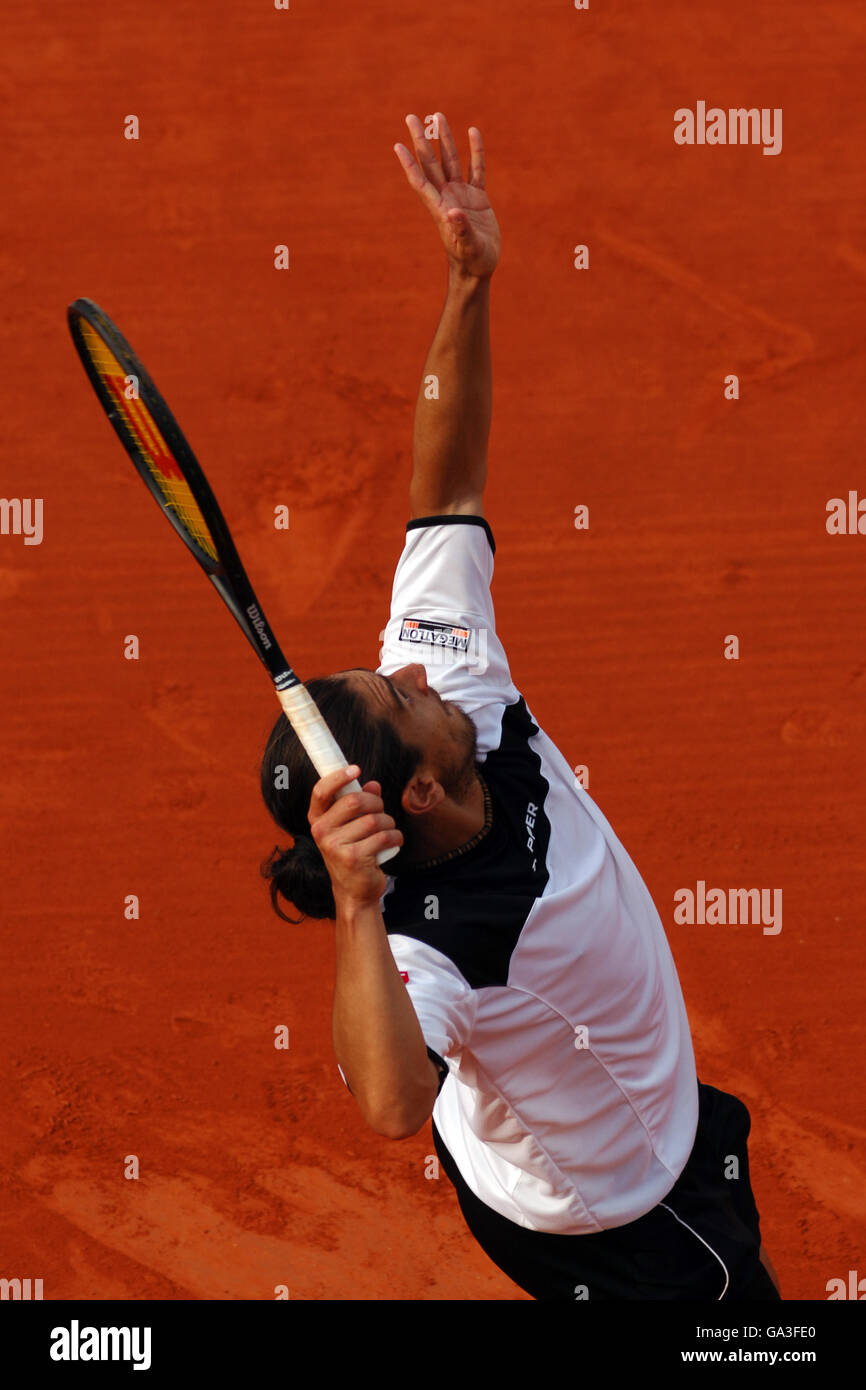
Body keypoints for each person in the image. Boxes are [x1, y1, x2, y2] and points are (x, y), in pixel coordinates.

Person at [260, 112, 781, 1301]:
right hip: (609, 1215)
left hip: (636, 1107)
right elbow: (391, 1104)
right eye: (402, 692)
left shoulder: (461, 704)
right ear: (422, 785)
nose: (421, 667)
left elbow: (444, 481)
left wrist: (467, 280)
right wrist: (355, 903)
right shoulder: (432, 937)